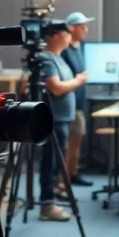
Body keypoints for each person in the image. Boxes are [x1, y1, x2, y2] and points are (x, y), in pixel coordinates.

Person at [37, 21, 89, 222]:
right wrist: (78, 81)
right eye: (67, 34)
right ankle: (47, 204)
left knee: (56, 162)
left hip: (62, 118)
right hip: (54, 119)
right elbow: (56, 88)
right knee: (50, 161)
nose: (70, 37)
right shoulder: (47, 59)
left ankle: (53, 195)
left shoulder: (58, 58)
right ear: (56, 35)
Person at [60, 11, 96, 187]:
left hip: (79, 102)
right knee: (67, 144)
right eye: (83, 27)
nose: (86, 30)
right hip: (68, 103)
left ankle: (72, 174)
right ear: (72, 28)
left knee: (76, 141)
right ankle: (61, 180)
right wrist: (79, 80)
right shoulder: (64, 50)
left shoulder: (79, 47)